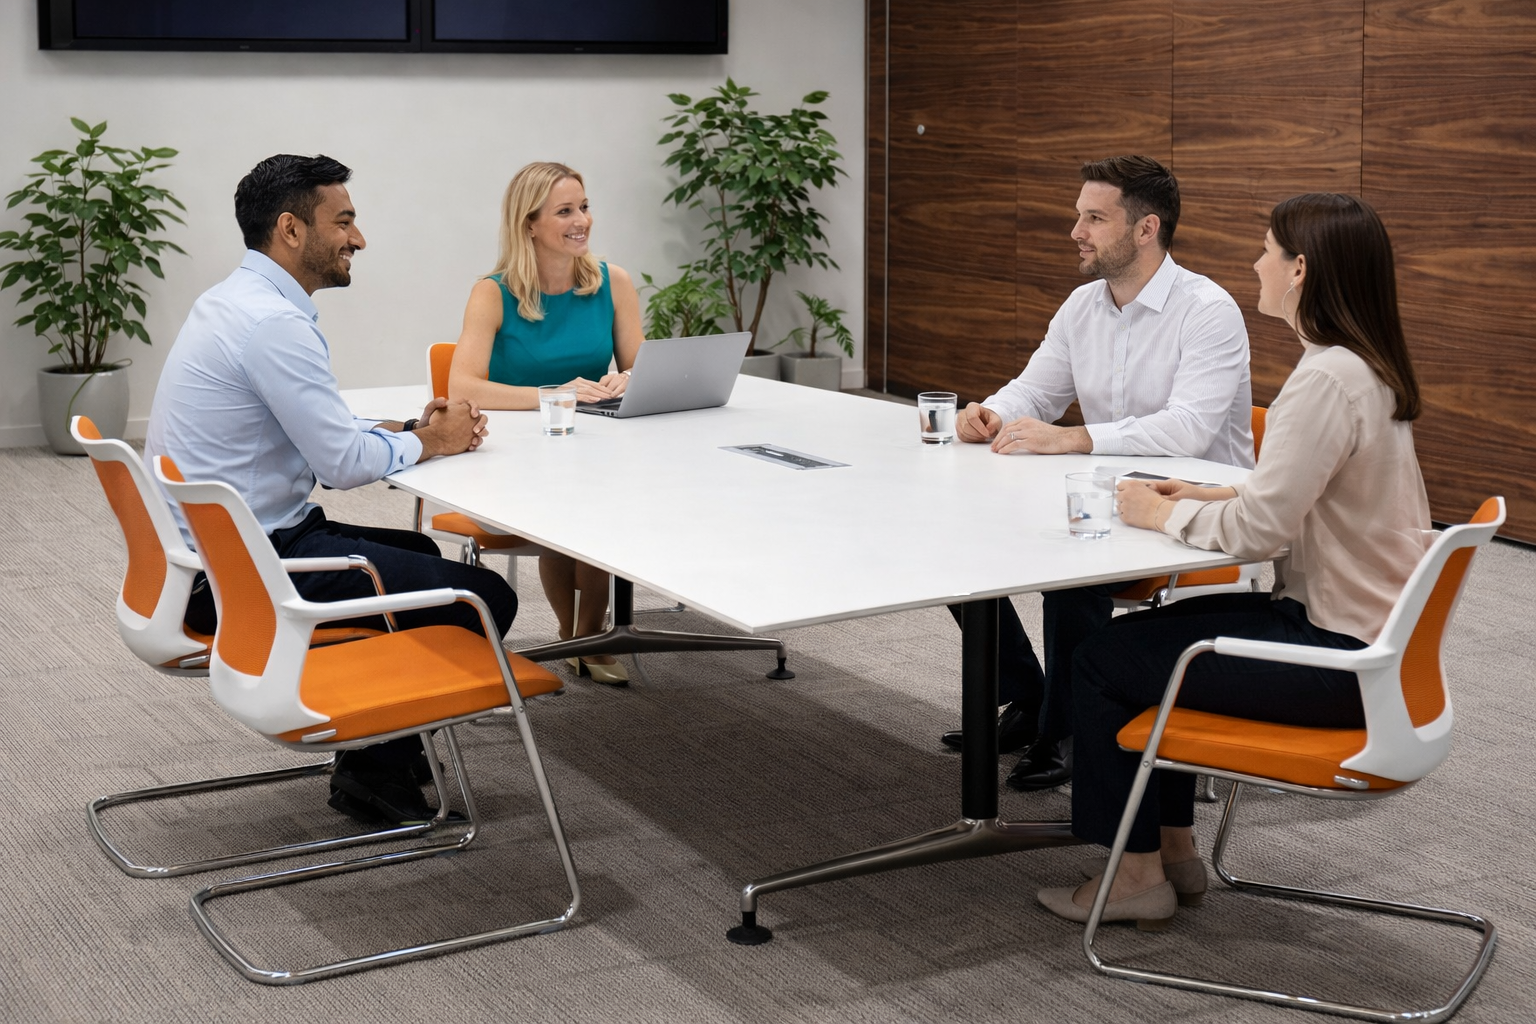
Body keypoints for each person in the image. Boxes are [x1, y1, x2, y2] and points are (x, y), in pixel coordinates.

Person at [1037, 192, 1431, 928]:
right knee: (1160, 637)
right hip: (1375, 647)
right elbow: (1297, 494)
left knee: (1102, 660)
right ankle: (1175, 850)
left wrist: (1162, 511)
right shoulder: (1361, 368)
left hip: (1338, 663)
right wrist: (1207, 489)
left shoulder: (1322, 381)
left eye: (1267, 251)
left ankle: (1135, 876)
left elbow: (1258, 534)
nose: (1257, 263)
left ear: (1301, 270)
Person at [144, 154, 515, 827]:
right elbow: (343, 463)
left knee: (409, 546)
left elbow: (314, 424)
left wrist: (405, 429)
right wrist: (436, 440)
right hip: (248, 570)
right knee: (482, 597)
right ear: (291, 229)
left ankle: (377, 761)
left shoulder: (233, 301)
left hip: (209, 556)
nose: (359, 238)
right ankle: (374, 771)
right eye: (343, 221)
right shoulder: (274, 324)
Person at [943, 156, 1253, 791]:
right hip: (1104, 493)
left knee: (1070, 560)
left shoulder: (1207, 310)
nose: (1075, 230)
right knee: (951, 530)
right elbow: (1038, 388)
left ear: (1146, 229)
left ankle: (1068, 729)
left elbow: (1188, 428)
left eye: (1093, 217)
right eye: (1077, 215)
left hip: (1190, 510)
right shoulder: (1084, 305)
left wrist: (1077, 438)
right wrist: (991, 412)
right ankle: (1029, 698)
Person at [448, 161, 644, 685]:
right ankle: (574, 638)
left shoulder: (612, 282)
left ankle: (588, 637)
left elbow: (639, 366)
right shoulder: (493, 292)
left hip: (597, 445)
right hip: (520, 454)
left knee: (600, 502)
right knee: (575, 512)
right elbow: (462, 387)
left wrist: (629, 378)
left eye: (584, 206)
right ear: (529, 224)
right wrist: (552, 395)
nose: (582, 220)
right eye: (565, 211)